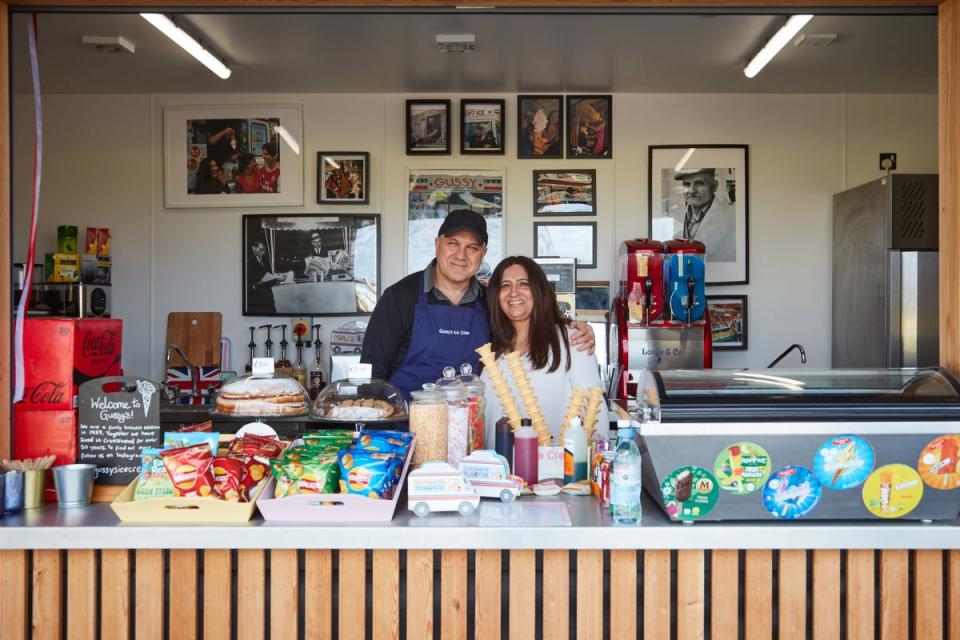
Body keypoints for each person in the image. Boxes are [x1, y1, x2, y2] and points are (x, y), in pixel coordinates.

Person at [361, 209, 595, 400]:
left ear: (483, 254)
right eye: (453, 243)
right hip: (404, 434)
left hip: (471, 437)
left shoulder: (491, 300)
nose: (461, 255)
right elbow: (372, 376)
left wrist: (572, 328)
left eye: (472, 248)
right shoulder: (400, 297)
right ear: (437, 244)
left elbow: (528, 324)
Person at [480, 256, 609, 444]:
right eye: (505, 285)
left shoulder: (571, 340)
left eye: (523, 284)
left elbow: (595, 415)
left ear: (538, 291)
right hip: (496, 469)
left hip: (554, 470)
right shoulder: (492, 346)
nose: (513, 292)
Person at [673, 168, 736, 262]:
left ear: (714, 186)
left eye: (699, 183)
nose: (691, 190)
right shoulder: (677, 218)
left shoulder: (731, 217)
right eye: (687, 184)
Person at [247, 239, 283, 313]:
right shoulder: (248, 262)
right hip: (256, 299)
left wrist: (276, 278)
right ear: (253, 248)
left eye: (264, 250)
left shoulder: (265, 261)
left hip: (268, 298)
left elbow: (268, 275)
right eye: (261, 250)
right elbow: (252, 281)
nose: (263, 253)